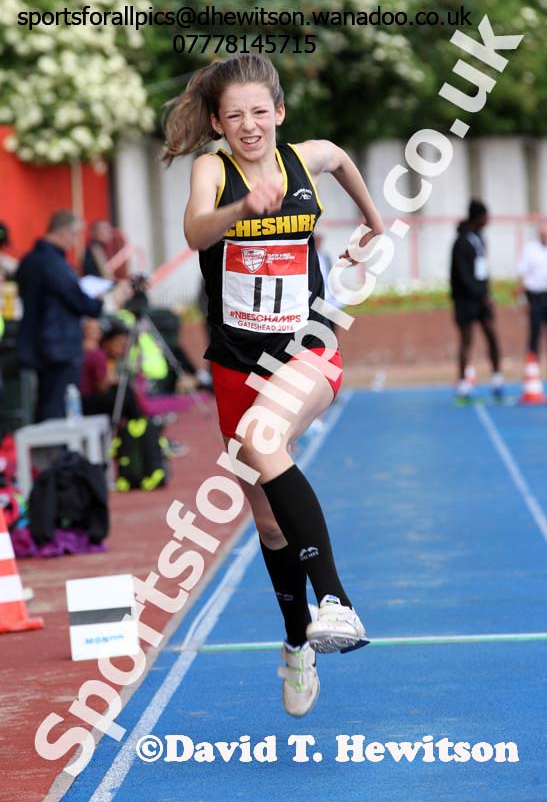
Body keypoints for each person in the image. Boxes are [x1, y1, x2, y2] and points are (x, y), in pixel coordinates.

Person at [163, 54, 383, 717]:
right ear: (217, 124)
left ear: (279, 113)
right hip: (235, 365)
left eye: (260, 112)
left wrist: (371, 222)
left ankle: (336, 604)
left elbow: (340, 157)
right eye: (235, 116)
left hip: (305, 348)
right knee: (264, 519)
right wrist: (240, 209)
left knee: (264, 437)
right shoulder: (213, 170)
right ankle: (297, 644)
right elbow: (195, 229)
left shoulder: (304, 158)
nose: (249, 125)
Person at [16, 210, 105, 421]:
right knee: (57, 409)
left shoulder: (29, 261)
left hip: (41, 344)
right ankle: (57, 454)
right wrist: (100, 301)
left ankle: (51, 453)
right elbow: (79, 301)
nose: (75, 243)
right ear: (65, 233)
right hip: (59, 347)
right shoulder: (54, 264)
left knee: (47, 405)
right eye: (75, 236)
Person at [450, 199, 503, 400]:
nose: (488, 220)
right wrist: (480, 294)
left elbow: (482, 270)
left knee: (491, 334)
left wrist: (486, 293)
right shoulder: (461, 242)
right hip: (466, 299)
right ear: (477, 218)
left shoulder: (480, 239)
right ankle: (463, 383)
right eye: (485, 216)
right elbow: (462, 275)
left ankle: (497, 379)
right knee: (466, 339)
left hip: (481, 297)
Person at [80, 318, 143, 421]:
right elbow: (101, 387)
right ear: (106, 342)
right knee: (124, 395)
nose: (124, 350)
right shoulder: (97, 355)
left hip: (87, 399)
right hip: (84, 401)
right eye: (120, 344)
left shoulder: (109, 360)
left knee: (125, 391)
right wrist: (115, 381)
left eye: (127, 346)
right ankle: (138, 425)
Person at [517, 221, 547, 360]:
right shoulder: (530, 249)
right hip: (535, 294)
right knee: (535, 329)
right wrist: (522, 298)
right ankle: (532, 360)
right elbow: (522, 272)